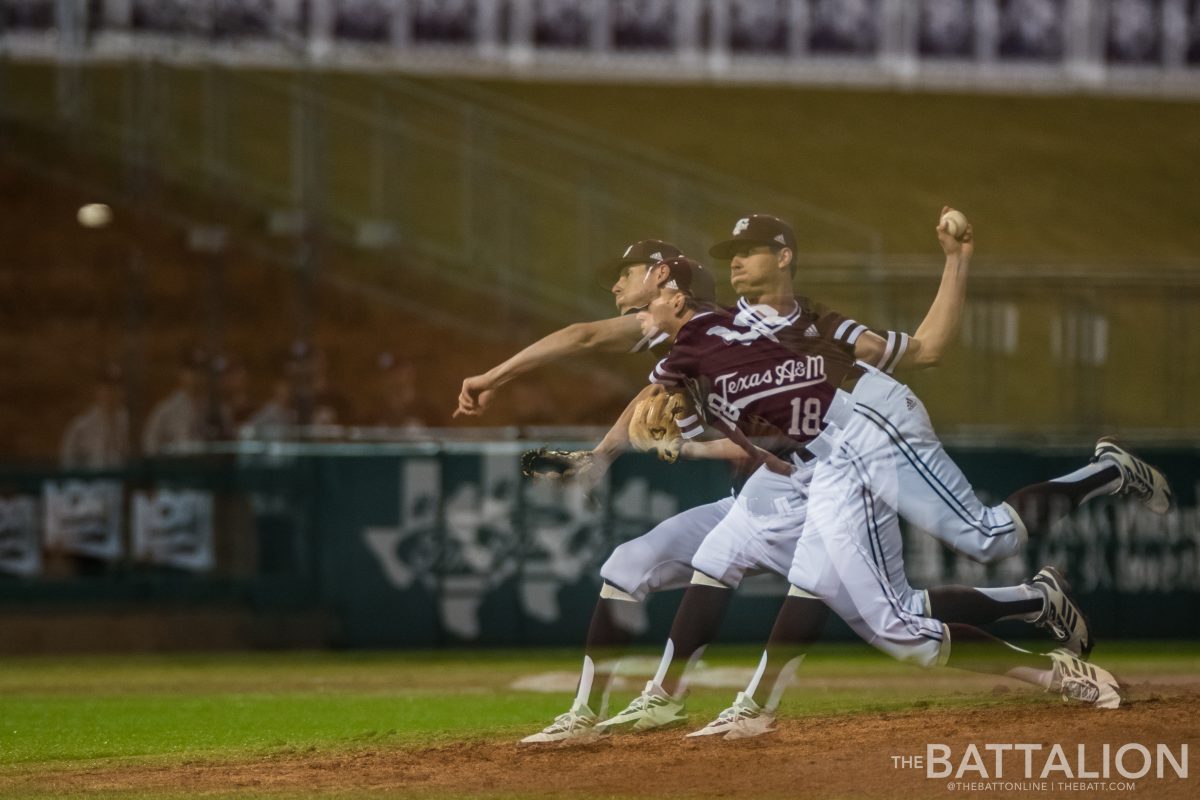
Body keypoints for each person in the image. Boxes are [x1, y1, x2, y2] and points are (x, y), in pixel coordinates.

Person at [603, 246, 1170, 734]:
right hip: (828, 456)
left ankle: (1107, 473)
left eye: (654, 297)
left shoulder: (696, 339)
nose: (643, 312)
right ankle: (753, 707)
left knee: (983, 546)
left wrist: (630, 443)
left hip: (867, 429)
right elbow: (739, 425)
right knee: (839, 595)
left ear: (679, 300)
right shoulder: (715, 346)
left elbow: (643, 390)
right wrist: (688, 432)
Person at [142, 347, 213, 455]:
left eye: (201, 371)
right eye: (192, 371)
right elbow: (149, 443)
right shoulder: (167, 409)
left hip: (204, 467)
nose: (196, 377)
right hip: (175, 467)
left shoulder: (212, 409)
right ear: (182, 374)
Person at [60, 363, 129, 469]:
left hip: (123, 480)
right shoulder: (81, 426)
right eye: (107, 387)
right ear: (98, 390)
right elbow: (67, 462)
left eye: (116, 387)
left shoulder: (131, 426)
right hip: (89, 482)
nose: (111, 393)